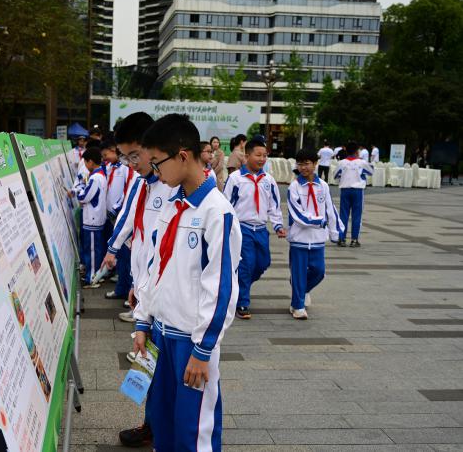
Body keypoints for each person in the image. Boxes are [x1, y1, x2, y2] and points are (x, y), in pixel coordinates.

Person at [133, 113, 241, 450]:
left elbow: (221, 287)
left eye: (157, 163)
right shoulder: (171, 204)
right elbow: (154, 266)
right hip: (161, 335)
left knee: (192, 430)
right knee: (163, 423)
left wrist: (203, 349)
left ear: (181, 156)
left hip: (190, 344)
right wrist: (143, 321)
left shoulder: (217, 211)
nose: (155, 171)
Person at [100, 112, 174, 448]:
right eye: (125, 157)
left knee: (162, 368)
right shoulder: (143, 182)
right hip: (147, 292)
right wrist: (136, 284)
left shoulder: (172, 187)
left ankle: (160, 428)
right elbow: (133, 224)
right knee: (149, 360)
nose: (131, 163)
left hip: (166, 299)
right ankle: (152, 424)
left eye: (134, 155)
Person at [223, 138, 285, 320]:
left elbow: (274, 204)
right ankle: (242, 302)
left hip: (261, 229)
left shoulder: (269, 180)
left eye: (265, 155)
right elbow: (225, 203)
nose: (262, 159)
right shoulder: (236, 179)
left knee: (263, 263)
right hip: (242, 228)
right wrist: (225, 226)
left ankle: (239, 287)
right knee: (246, 264)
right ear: (247, 155)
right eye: (258, 155)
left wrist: (278, 225)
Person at [286, 148, 343, 319]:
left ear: (315, 164)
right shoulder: (294, 187)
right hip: (299, 238)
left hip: (318, 239)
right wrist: (319, 221)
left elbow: (330, 209)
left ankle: (302, 290)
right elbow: (297, 214)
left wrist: (335, 231)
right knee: (298, 273)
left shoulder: (323, 185)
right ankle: (298, 306)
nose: (303, 167)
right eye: (300, 164)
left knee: (319, 271)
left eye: (307, 163)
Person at [100, 139, 135, 299]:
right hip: (117, 216)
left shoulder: (129, 170)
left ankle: (129, 291)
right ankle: (121, 288)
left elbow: (127, 195)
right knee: (121, 255)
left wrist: (117, 207)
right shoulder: (111, 167)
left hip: (126, 217)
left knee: (128, 257)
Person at [69, 147, 107, 289]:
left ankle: (91, 278)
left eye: (85, 162)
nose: (85, 165)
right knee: (95, 249)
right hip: (95, 217)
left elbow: (84, 197)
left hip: (92, 218)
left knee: (92, 250)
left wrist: (77, 193)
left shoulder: (95, 178)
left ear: (90, 162)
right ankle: (94, 274)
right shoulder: (100, 175)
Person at [334, 142, 373, 248]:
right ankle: (354, 240)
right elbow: (371, 171)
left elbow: (335, 175)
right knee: (357, 215)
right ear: (357, 151)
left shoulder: (341, 163)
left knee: (343, 215)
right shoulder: (362, 162)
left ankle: (342, 239)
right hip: (358, 191)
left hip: (345, 190)